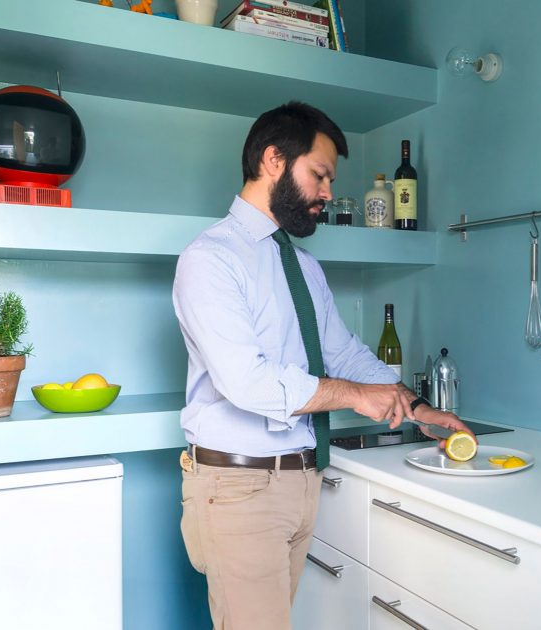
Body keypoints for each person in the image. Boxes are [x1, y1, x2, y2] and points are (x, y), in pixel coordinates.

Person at [172, 101, 471, 630]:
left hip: (299, 482)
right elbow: (248, 381)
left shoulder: (303, 267)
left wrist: (418, 406)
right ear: (273, 160)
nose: (329, 193)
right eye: (320, 175)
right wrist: (357, 396)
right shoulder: (210, 259)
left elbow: (346, 353)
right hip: (238, 488)